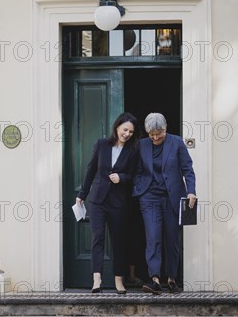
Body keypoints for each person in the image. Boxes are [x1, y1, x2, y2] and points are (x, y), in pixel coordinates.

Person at [76, 112, 140, 294]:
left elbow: (135, 176)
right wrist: (82, 194)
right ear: (117, 127)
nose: (127, 134)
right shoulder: (102, 144)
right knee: (97, 238)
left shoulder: (132, 151)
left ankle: (119, 280)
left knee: (119, 241)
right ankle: (97, 279)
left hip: (119, 202)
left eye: (131, 132)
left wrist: (122, 177)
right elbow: (91, 170)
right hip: (97, 200)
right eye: (125, 129)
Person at [132, 113, 196, 295]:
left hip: (173, 198)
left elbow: (188, 170)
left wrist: (191, 191)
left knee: (172, 239)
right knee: (153, 237)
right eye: (151, 134)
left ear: (165, 128)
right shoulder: (142, 145)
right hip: (149, 197)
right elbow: (136, 169)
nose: (155, 138)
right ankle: (155, 279)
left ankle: (171, 279)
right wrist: (139, 186)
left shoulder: (177, 143)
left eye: (158, 134)